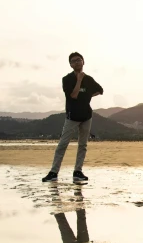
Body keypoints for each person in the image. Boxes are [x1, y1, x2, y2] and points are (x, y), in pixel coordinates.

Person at [42, 52, 103, 183]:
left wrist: (88, 96)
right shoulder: (67, 79)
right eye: (74, 61)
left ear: (83, 62)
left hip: (86, 116)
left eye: (79, 60)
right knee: (63, 144)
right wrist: (79, 80)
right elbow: (73, 95)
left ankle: (78, 171)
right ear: (70, 64)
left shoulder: (89, 79)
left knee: (83, 145)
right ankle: (53, 172)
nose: (77, 62)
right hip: (72, 116)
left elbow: (100, 90)